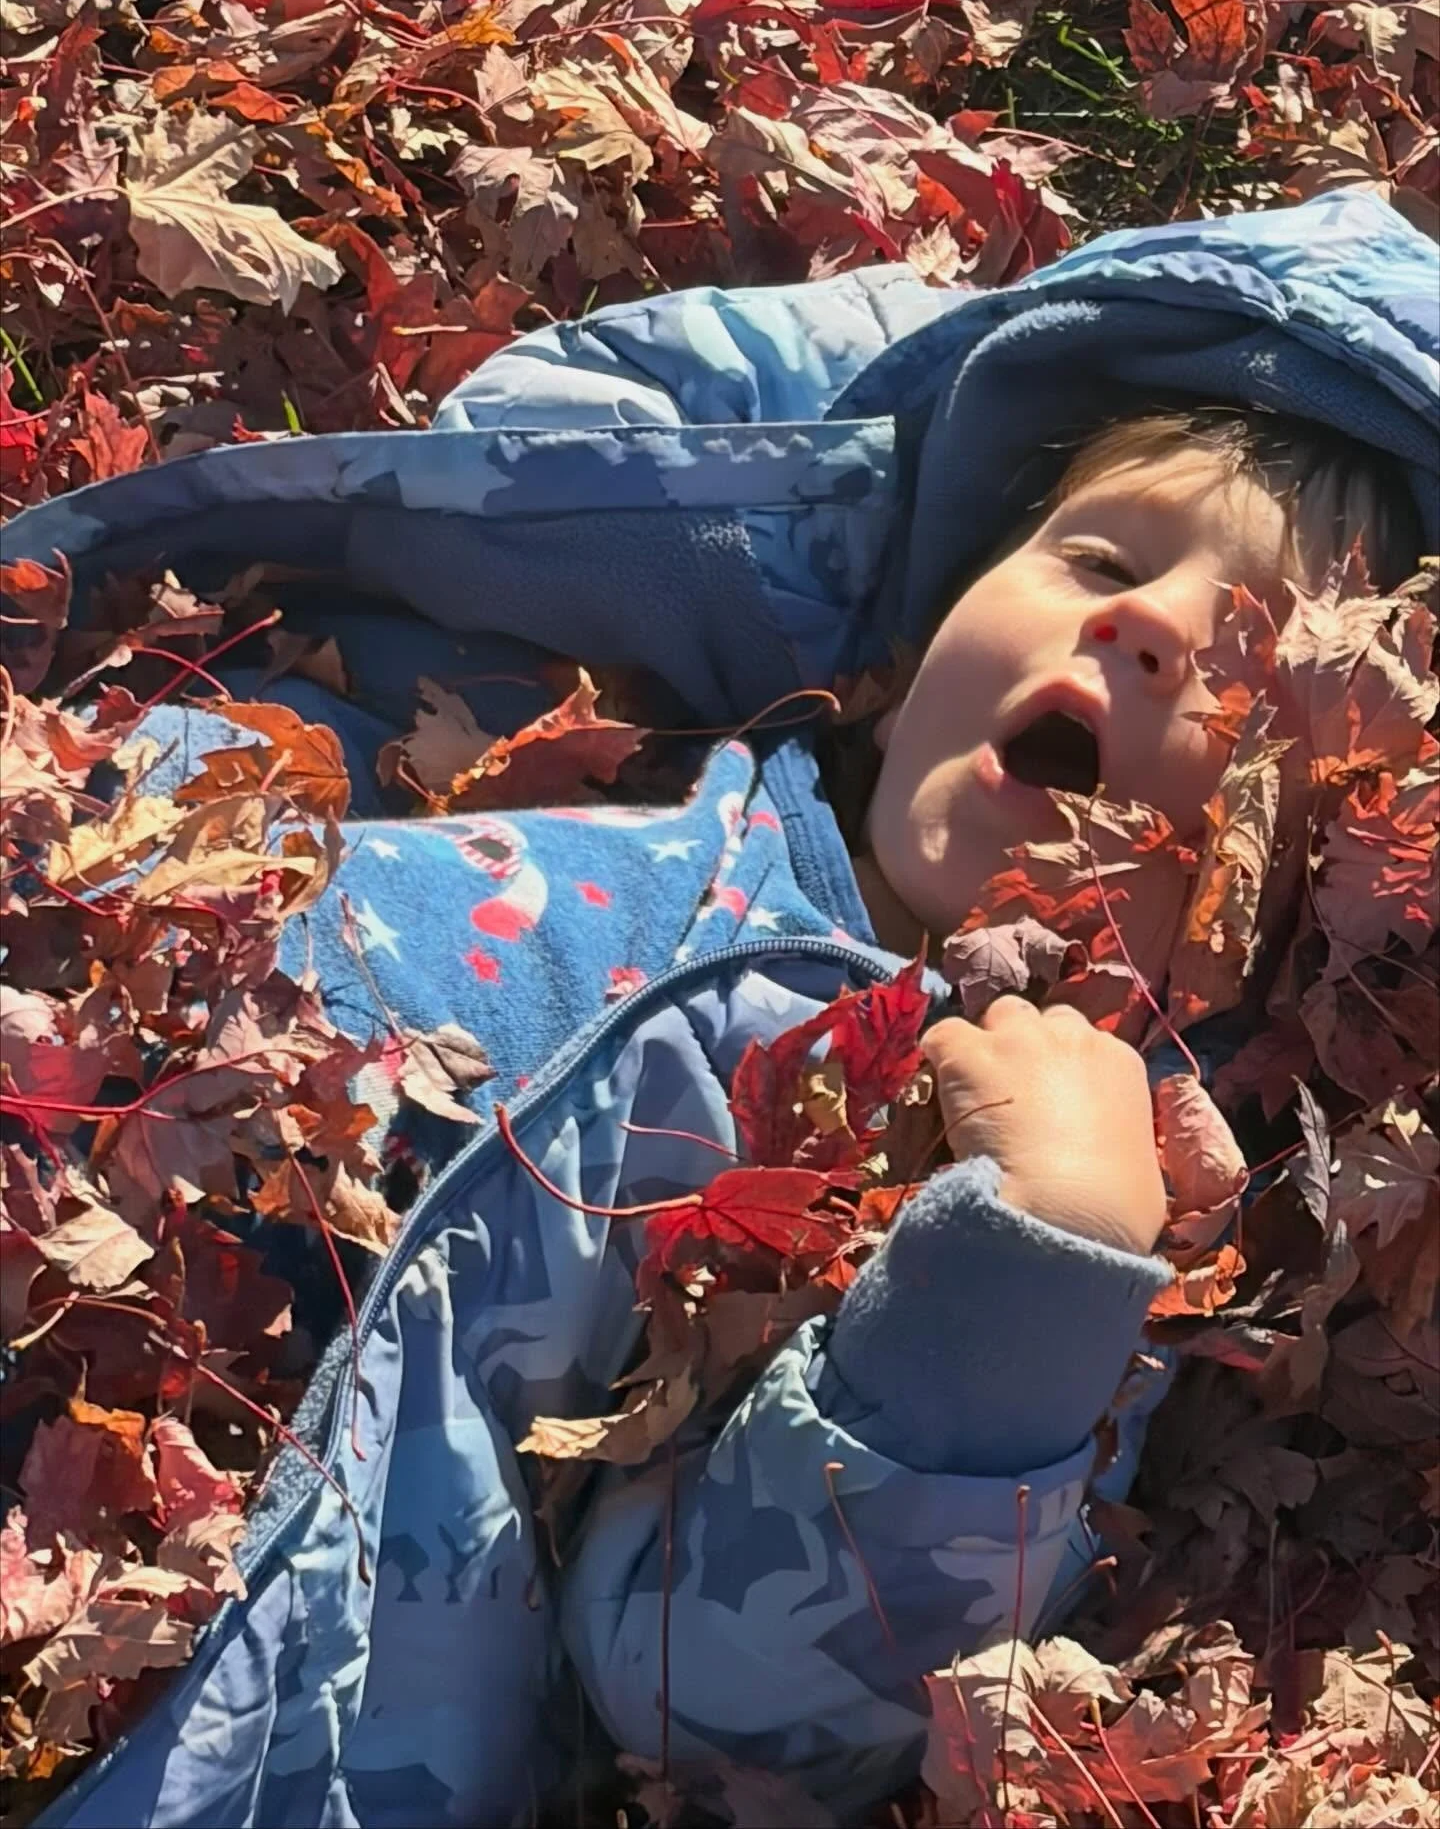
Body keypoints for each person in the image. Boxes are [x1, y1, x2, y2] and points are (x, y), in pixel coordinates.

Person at [4, 189, 1434, 1829]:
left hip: (201, 1574)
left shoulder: (1112, 1208)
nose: (1148, 624)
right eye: (1097, 555)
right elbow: (570, 443)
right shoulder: (658, 738)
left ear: (1347, 900)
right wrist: (952, 377)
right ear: (905, 649)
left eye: (1267, 667)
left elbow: (697, 1693)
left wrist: (1026, 1281)